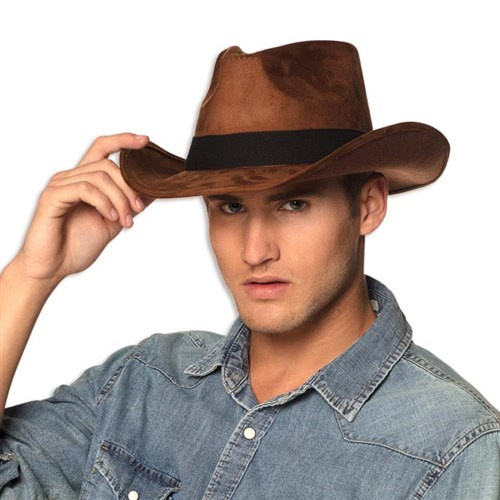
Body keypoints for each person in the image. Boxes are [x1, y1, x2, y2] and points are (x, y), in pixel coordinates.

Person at [0, 40, 498, 499]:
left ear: (368, 205)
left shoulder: (451, 451)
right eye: (231, 207)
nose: (255, 251)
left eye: (294, 204)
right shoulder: (143, 383)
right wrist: (32, 275)